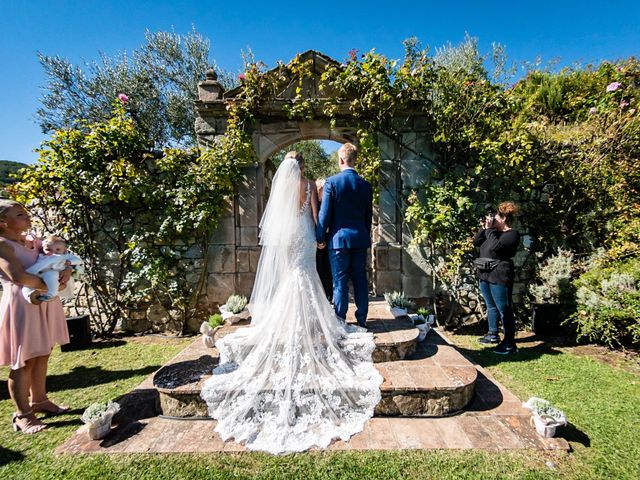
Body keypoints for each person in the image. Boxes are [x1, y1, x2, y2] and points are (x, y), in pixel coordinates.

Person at [200, 151, 382, 454]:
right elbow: (314, 214)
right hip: (310, 236)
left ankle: (297, 319)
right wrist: (319, 236)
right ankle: (344, 319)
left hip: (289, 236)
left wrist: (319, 231)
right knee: (322, 278)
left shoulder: (281, 185)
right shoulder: (312, 184)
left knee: (295, 280)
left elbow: (280, 215)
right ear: (303, 166)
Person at [0, 200, 72, 434]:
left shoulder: (34, 241)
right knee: (24, 360)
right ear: (3, 222)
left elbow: (60, 256)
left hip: (42, 302)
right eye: (20, 214)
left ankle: (40, 401)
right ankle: (23, 415)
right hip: (22, 305)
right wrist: (47, 286)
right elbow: (17, 275)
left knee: (42, 352)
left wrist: (66, 271)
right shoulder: (2, 245)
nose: (27, 216)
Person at [316, 143, 373, 328]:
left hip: (338, 240)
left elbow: (324, 215)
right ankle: (362, 319)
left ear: (341, 159)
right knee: (360, 280)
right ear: (354, 160)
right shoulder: (366, 185)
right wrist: (363, 235)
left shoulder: (332, 182)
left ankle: (340, 320)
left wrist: (320, 236)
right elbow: (368, 217)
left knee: (339, 282)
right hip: (360, 238)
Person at [473, 201, 521, 354]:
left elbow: (496, 247)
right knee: (491, 305)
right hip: (485, 272)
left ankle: (509, 343)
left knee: (504, 309)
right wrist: (484, 228)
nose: (493, 219)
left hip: (500, 274)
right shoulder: (492, 232)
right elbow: (476, 242)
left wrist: (489, 230)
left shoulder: (511, 234)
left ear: (505, 218)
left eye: (496, 217)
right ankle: (493, 334)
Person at [22, 235, 83, 302]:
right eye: (48, 250)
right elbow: (38, 265)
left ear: (64, 250)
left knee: (52, 277)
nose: (53, 252)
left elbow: (78, 260)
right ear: (43, 249)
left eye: (58, 249)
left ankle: (51, 294)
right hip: (41, 274)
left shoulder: (65, 256)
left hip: (56, 274)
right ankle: (29, 296)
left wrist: (70, 262)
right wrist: (31, 272)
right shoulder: (42, 256)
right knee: (27, 285)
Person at [314, 178, 333, 302]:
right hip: (316, 238)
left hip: (328, 238)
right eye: (322, 189)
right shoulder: (315, 203)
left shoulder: (329, 203)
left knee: (328, 268)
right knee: (319, 266)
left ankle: (328, 295)